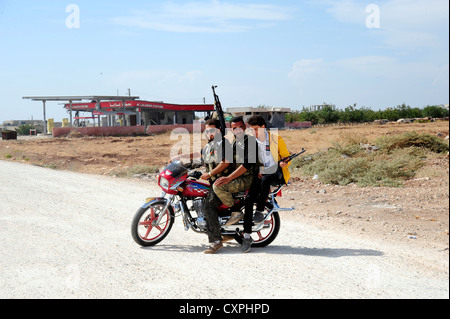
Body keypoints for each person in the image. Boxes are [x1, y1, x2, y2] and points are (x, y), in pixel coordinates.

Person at [171, 119, 232, 254]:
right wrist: (180, 156)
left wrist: (210, 173)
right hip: (214, 181)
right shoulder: (212, 144)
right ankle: (222, 231)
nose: (209, 132)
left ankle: (216, 241)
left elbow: (226, 163)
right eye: (207, 130)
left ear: (219, 130)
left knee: (209, 205)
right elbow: (200, 153)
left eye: (212, 130)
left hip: (223, 182)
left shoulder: (224, 143)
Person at [239, 115, 291, 253]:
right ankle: (247, 236)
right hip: (261, 173)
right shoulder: (252, 142)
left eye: (256, 129)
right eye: (251, 130)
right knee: (249, 199)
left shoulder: (276, 139)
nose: (254, 133)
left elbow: (287, 158)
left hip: (276, 173)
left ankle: (260, 210)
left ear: (263, 127)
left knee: (266, 179)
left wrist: (284, 163)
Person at [213, 117, 259, 227]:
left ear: (245, 127)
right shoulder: (235, 142)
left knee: (218, 186)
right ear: (231, 130)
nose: (238, 130)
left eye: (240, 127)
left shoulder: (250, 142)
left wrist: (228, 178)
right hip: (239, 177)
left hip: (248, 178)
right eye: (235, 128)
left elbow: (246, 165)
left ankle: (236, 211)